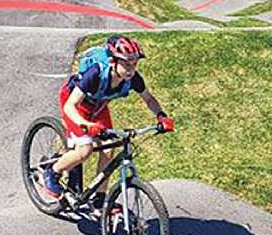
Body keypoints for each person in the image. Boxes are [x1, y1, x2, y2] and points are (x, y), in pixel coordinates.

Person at [38, 35, 174, 202]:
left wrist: (161, 116)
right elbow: (70, 106)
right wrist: (85, 124)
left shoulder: (132, 79)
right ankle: (52, 171)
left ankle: (99, 199)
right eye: (126, 64)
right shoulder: (95, 74)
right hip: (74, 104)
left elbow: (149, 99)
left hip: (98, 106)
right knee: (85, 150)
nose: (131, 69)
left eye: (134, 63)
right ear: (112, 62)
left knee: (109, 149)